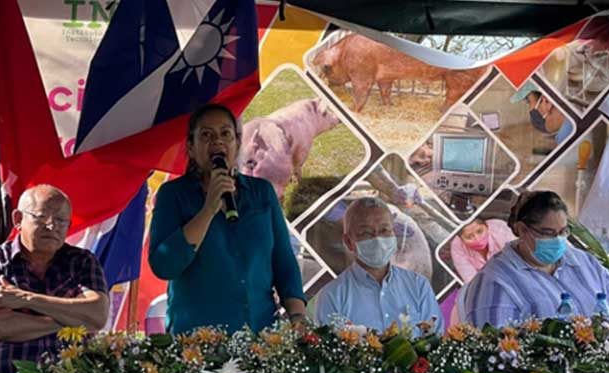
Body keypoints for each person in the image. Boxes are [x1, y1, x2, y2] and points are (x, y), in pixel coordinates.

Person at [149, 103, 306, 334]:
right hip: (199, 342)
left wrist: (298, 318)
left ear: (237, 144)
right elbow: (164, 265)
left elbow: (283, 262)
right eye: (206, 135)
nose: (218, 141)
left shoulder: (261, 192)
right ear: (191, 148)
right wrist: (208, 209)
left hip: (260, 337)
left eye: (225, 134)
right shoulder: (173, 195)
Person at [0, 185, 108, 373]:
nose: (51, 226)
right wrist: (70, 323)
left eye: (60, 220)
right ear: (18, 219)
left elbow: (97, 316)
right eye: (41, 217)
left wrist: (26, 299)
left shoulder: (82, 261)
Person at [463, 191, 609, 328]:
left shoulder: (583, 262)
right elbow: (492, 348)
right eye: (548, 233)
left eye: (563, 232)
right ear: (523, 230)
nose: (558, 240)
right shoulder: (495, 281)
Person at [315, 197, 444, 335]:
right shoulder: (333, 296)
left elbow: (435, 339)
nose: (377, 238)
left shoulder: (418, 286)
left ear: (394, 233)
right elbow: (329, 350)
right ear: (348, 241)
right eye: (366, 232)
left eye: (384, 230)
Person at [450, 218, 516, 283]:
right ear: (461, 239)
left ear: (487, 226)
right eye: (469, 237)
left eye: (480, 231)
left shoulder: (499, 228)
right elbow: (473, 281)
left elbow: (518, 257)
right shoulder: (457, 247)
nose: (477, 239)